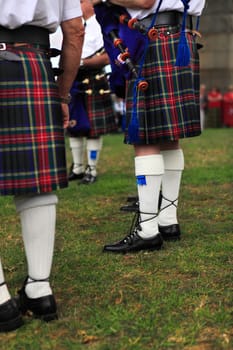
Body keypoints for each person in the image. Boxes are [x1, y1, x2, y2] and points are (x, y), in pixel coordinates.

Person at [93, 0, 206, 253]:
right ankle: (167, 220)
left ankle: (148, 230)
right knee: (168, 136)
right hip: (178, 38)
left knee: (145, 137)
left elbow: (144, 1)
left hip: (154, 38)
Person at [0, 0, 84, 332]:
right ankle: (40, 288)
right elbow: (75, 30)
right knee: (35, 181)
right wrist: (61, 96)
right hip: (34, 64)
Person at [68, 0, 117, 185]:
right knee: (74, 126)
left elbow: (107, 56)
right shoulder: (75, 23)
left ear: (89, 3)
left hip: (94, 79)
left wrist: (81, 62)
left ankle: (92, 169)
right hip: (74, 78)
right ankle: (77, 168)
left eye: (80, 1)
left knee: (93, 129)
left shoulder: (101, 23)